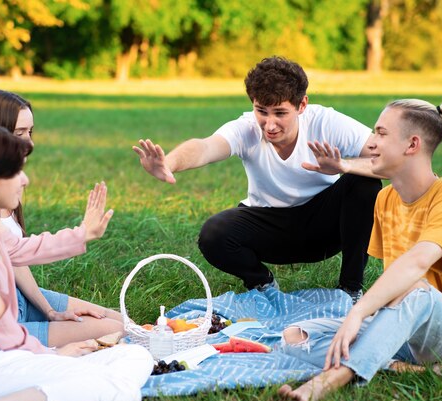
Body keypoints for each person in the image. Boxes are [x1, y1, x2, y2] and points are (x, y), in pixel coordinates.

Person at [0, 122, 153, 401]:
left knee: (134, 355)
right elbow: (4, 333)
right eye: (16, 172)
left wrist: (83, 234)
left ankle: (35, 397)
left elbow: (22, 249)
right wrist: (52, 354)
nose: (25, 180)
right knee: (124, 394)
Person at [277, 99, 442, 401]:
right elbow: (393, 281)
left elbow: (416, 262)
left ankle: (332, 379)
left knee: (416, 290)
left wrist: (359, 311)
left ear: (412, 144)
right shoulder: (385, 199)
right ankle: (406, 368)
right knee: (294, 337)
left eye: (380, 133)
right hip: (404, 328)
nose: (371, 142)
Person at [133, 56, 382, 300]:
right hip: (270, 225)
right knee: (214, 233)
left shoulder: (327, 122)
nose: (269, 125)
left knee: (365, 184)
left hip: (325, 226)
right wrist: (170, 163)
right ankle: (263, 284)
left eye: (280, 113)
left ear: (302, 105)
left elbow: (384, 160)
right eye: (261, 111)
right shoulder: (247, 128)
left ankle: (350, 289)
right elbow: (206, 147)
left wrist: (343, 166)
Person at [0, 89, 123, 347]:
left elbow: (15, 258)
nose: (29, 143)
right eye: (19, 133)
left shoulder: (6, 184)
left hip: (16, 297)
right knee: (109, 331)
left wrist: (48, 311)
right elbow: (18, 250)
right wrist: (82, 233)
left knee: (120, 322)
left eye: (30, 132)